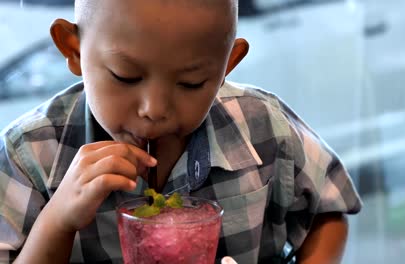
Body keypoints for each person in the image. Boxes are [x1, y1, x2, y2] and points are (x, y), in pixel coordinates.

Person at [0, 0, 362, 263]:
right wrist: (59, 219)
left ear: (227, 66)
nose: (154, 110)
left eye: (191, 83)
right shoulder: (30, 153)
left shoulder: (263, 127)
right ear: (73, 48)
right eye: (126, 77)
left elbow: (327, 213)